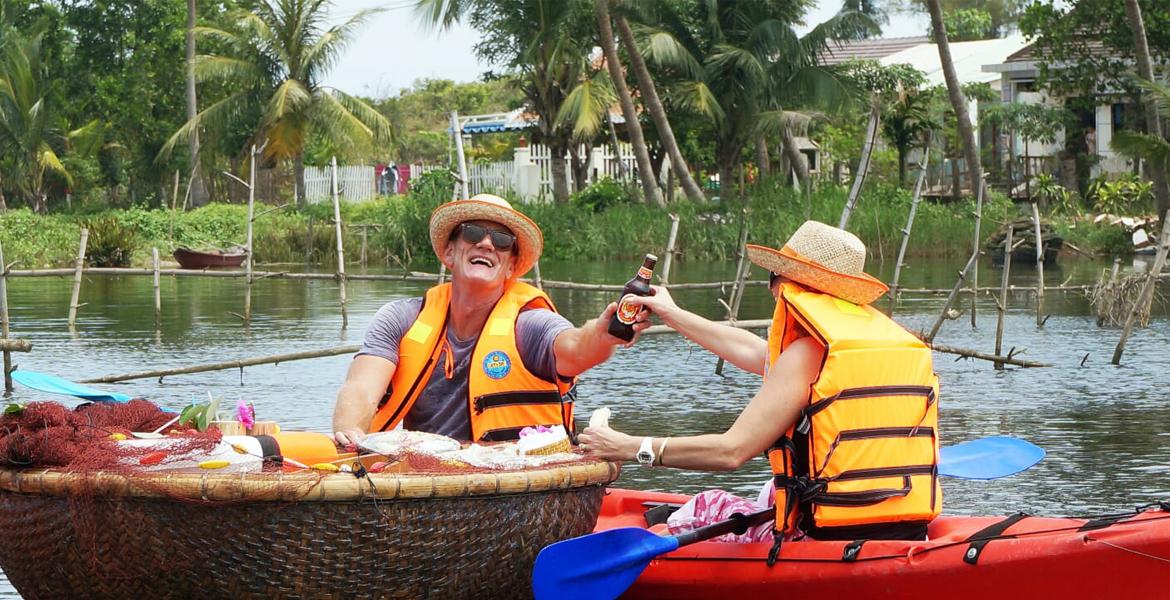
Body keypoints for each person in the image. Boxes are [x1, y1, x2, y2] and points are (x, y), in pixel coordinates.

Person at [579, 220, 941, 556]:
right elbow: (753, 351)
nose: (770, 287)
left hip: (826, 538)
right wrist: (673, 313)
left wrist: (628, 447)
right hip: (908, 529)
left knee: (707, 505)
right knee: (769, 490)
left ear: (793, 286)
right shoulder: (883, 343)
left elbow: (730, 452)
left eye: (773, 276)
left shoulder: (807, 353)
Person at [333, 193, 648, 446]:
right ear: (449, 252)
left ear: (511, 267)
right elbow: (360, 387)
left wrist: (603, 334)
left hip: (513, 488)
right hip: (423, 483)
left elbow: (578, 349)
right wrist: (351, 437)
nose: (486, 243)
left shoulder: (530, 324)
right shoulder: (400, 319)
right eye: (473, 233)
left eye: (501, 241)